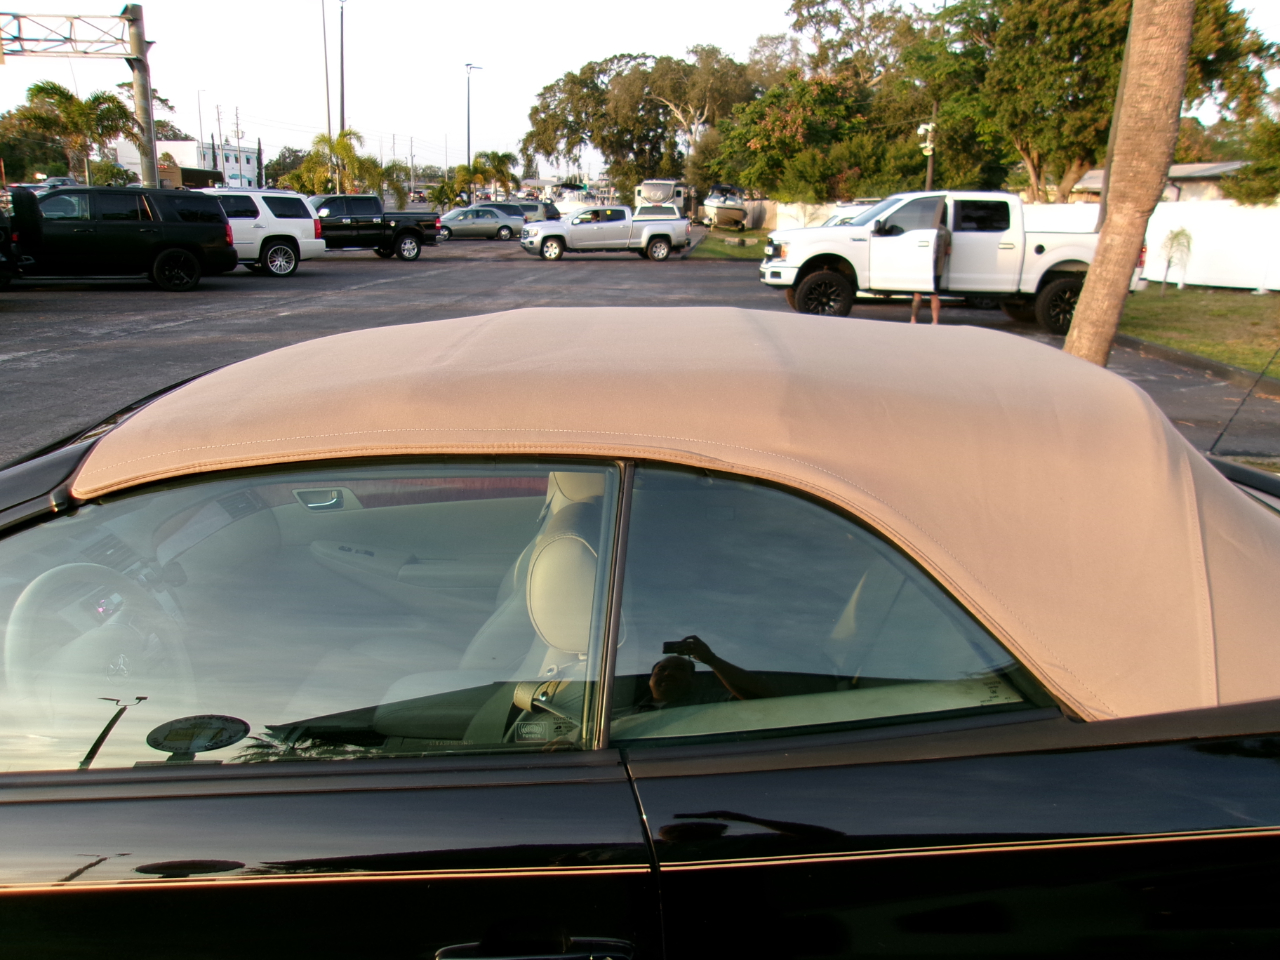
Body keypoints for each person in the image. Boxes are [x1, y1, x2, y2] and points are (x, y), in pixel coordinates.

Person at [635, 635, 774, 711]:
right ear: (650, 679)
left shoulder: (712, 702)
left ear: (692, 679)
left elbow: (762, 701)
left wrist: (710, 659)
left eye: (680, 669)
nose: (668, 674)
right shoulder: (625, 715)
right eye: (661, 670)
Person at [910, 198, 951, 325]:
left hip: (922, 267)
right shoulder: (946, 231)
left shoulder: (921, 230)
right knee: (934, 295)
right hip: (937, 268)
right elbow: (949, 251)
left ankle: (913, 319)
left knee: (917, 295)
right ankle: (935, 321)